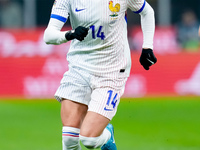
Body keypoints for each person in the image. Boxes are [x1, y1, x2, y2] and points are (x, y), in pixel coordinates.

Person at [43, 0, 157, 149]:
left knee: (89, 140)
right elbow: (48, 35)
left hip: (111, 70)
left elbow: (147, 11)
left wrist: (147, 47)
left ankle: (108, 136)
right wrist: (69, 34)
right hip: (79, 68)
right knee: (69, 138)